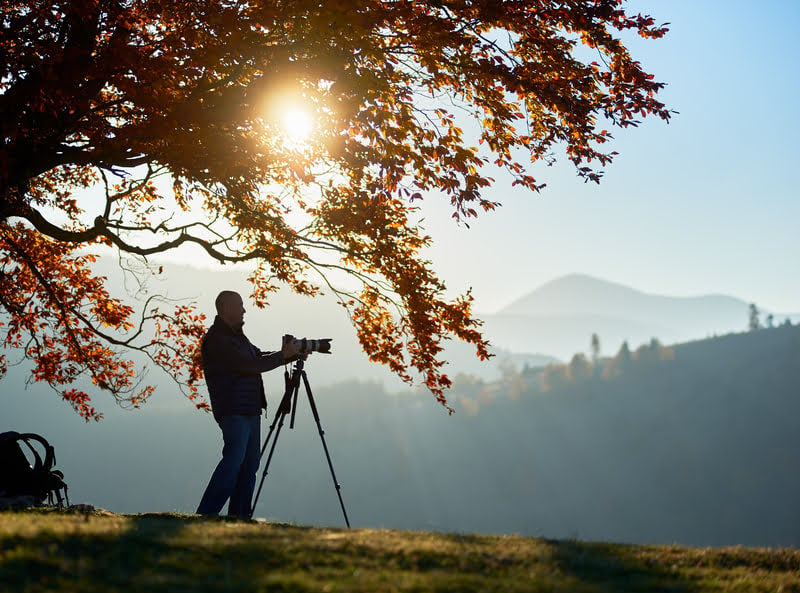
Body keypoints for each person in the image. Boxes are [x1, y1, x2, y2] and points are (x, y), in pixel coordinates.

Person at [195, 290, 301, 517]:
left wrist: (289, 354)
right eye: (240, 306)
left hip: (250, 410)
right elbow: (248, 365)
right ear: (225, 309)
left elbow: (256, 357)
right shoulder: (217, 340)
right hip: (234, 411)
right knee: (233, 463)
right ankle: (205, 515)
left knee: (249, 467)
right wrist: (283, 356)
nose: (244, 310)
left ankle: (239, 517)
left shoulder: (236, 337)